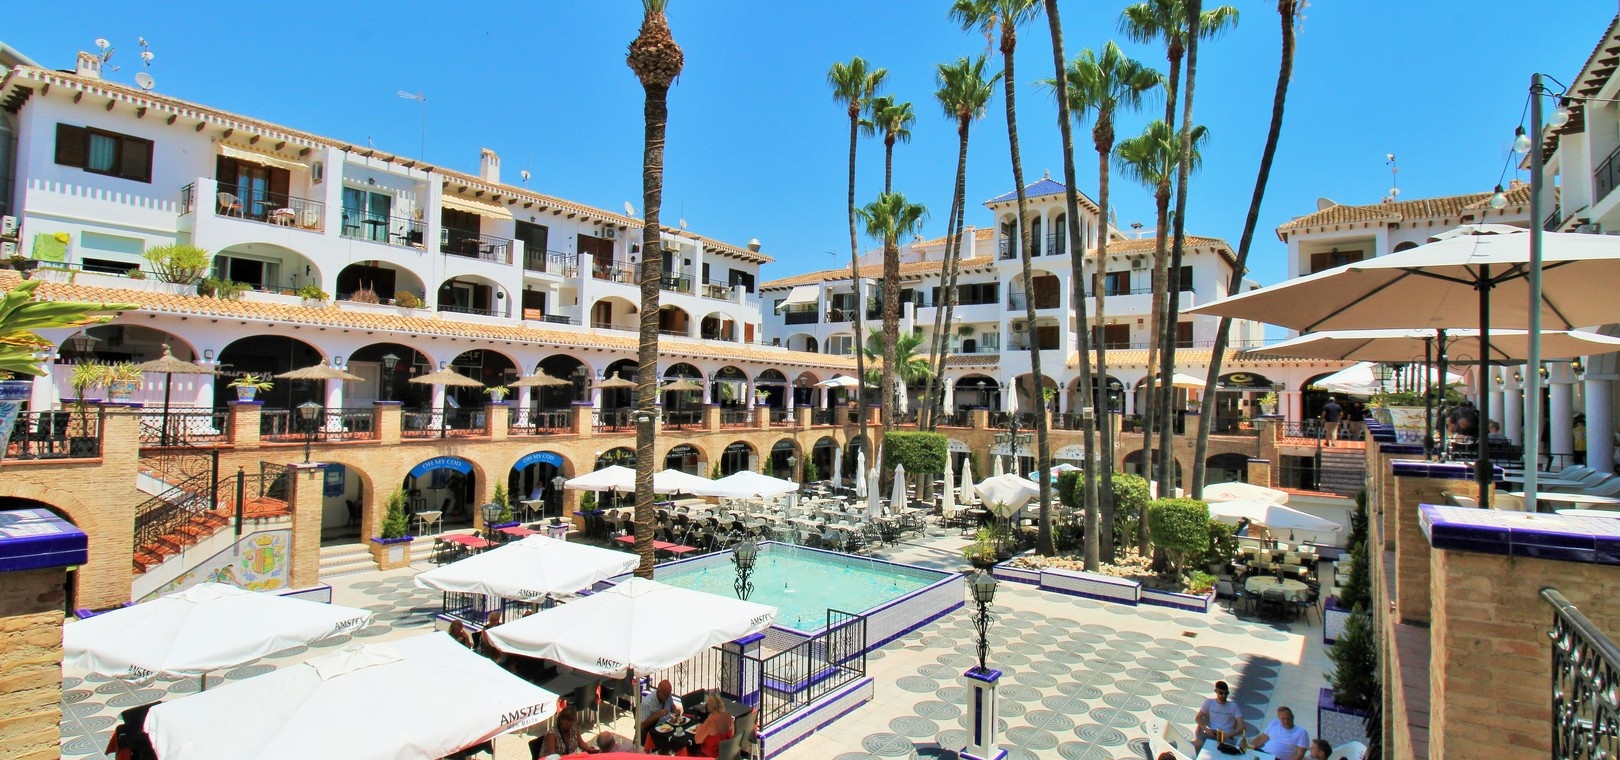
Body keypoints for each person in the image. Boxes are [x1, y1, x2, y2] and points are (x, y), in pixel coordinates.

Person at [1194, 680, 1245, 752]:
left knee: (1223, 752)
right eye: (1221, 693)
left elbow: (1242, 727)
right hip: (1212, 733)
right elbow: (1198, 718)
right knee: (1196, 746)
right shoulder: (1209, 702)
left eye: (1226, 693)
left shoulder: (1233, 706)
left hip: (1226, 736)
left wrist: (1229, 735)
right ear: (1216, 691)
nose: (1224, 695)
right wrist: (1206, 729)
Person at [637, 679, 682, 747]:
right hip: (655, 731)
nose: (667, 697)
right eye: (665, 695)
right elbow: (641, 725)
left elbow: (672, 707)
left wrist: (676, 711)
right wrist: (657, 715)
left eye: (668, 694)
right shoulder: (647, 703)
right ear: (658, 691)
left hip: (669, 726)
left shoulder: (668, 696)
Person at [690, 691, 735, 757]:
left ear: (712, 706)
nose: (707, 706)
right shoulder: (727, 715)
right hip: (725, 753)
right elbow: (732, 733)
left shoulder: (711, 720)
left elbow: (697, 740)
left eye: (707, 704)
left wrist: (699, 727)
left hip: (710, 755)